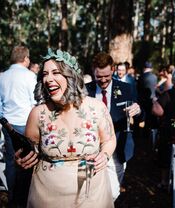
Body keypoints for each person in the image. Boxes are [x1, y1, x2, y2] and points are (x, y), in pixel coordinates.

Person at [15, 48, 116, 207]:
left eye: (55, 72)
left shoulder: (97, 108)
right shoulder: (38, 113)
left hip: (92, 195)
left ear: (71, 76)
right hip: (47, 196)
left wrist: (104, 155)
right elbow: (29, 151)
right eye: (45, 74)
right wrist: (23, 159)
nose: (48, 79)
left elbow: (109, 140)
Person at [86, 52, 143, 200]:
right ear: (93, 71)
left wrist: (138, 111)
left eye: (106, 75)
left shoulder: (126, 89)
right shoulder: (85, 90)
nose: (103, 80)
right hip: (91, 148)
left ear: (112, 69)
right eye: (99, 76)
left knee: (113, 191)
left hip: (118, 148)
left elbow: (141, 116)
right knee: (90, 189)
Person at [0, 46, 37, 207]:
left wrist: (5, 121)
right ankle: (25, 198)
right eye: (29, 58)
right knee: (28, 161)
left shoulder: (2, 77)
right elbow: (35, 102)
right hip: (26, 124)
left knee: (11, 161)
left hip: (8, 124)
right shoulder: (29, 76)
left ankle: (12, 198)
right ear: (25, 59)